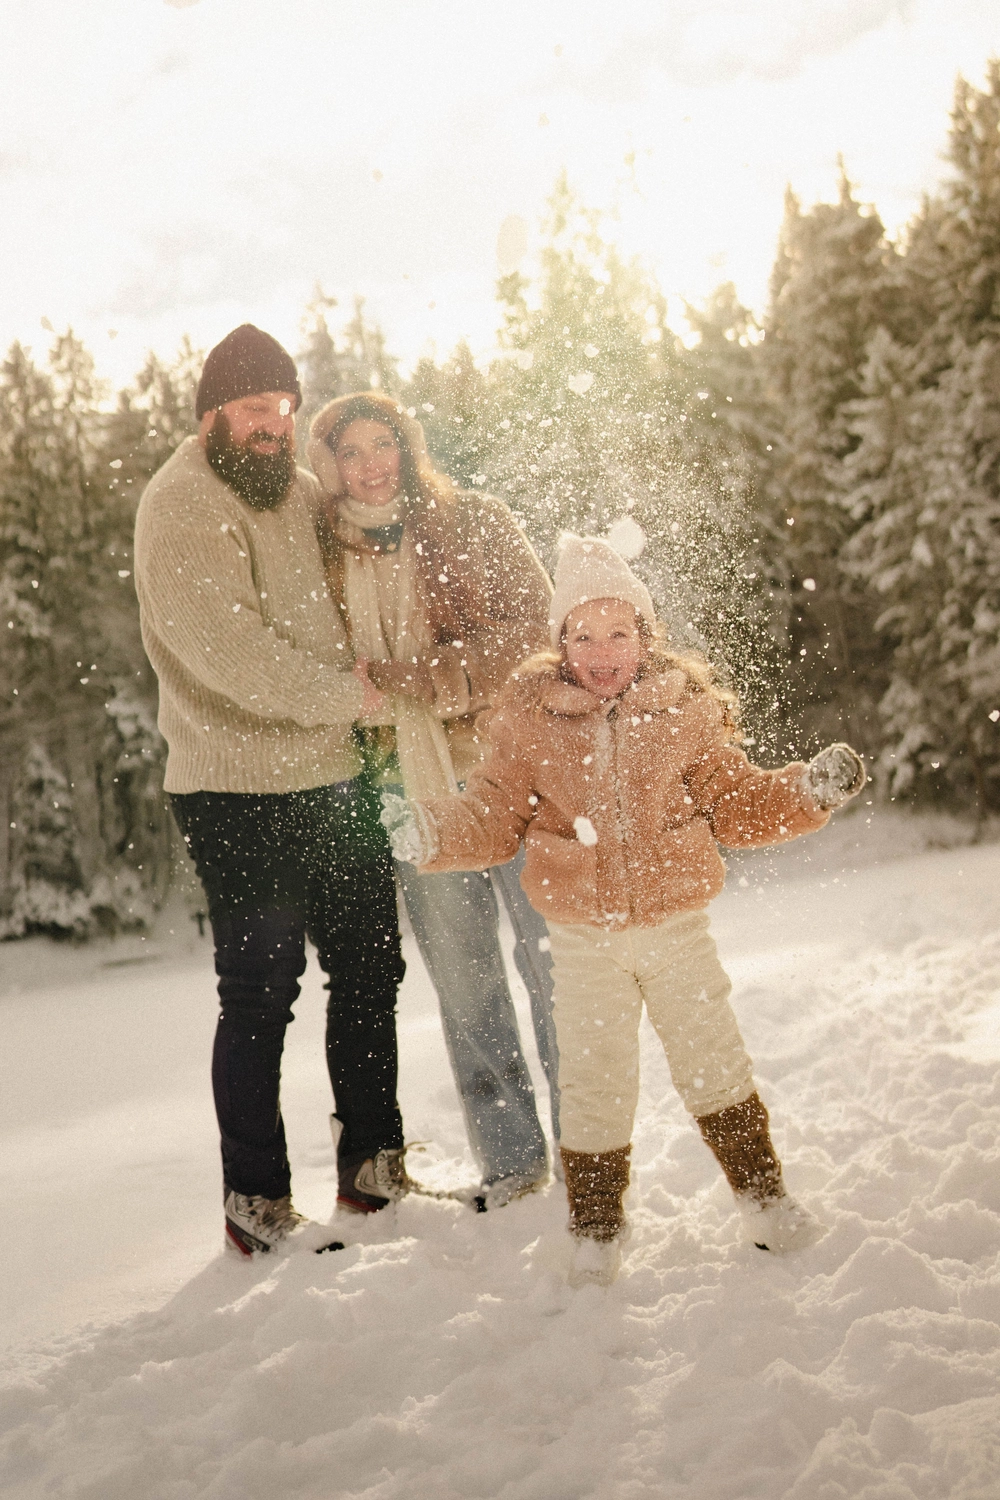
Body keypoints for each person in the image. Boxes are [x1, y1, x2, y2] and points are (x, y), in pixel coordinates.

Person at [383, 533, 865, 1285]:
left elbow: (738, 805)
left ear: (646, 635)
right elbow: (493, 815)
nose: (601, 652)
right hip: (581, 938)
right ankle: (595, 1229)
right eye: (582, 635)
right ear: (558, 642)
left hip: (676, 927)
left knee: (713, 1059)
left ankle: (765, 1200)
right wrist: (430, 830)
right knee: (595, 1076)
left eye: (618, 633)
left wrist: (806, 794)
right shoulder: (530, 722)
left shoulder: (685, 713)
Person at [134, 325, 407, 1256]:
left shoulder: (294, 493)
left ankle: (373, 1169)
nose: (274, 427)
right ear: (212, 414)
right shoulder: (179, 505)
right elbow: (231, 657)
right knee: (260, 993)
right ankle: (256, 1201)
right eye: (255, 410)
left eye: (286, 411)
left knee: (371, 970)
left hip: (336, 775)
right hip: (236, 790)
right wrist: (350, 697)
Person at [306, 392, 559, 1208]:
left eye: (385, 444)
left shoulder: (475, 521)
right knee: (467, 986)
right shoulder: (325, 558)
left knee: (556, 967)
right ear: (331, 465)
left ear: (408, 448)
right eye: (353, 452)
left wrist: (424, 682)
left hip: (511, 777)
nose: (373, 464)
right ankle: (514, 1164)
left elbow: (533, 635)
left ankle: (591, 1142)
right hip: (409, 797)